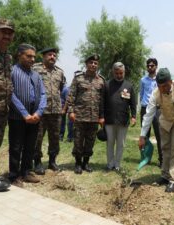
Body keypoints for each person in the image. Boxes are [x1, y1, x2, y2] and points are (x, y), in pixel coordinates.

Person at [9, 44, 46, 184]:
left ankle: (26, 172)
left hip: (35, 117)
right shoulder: (12, 71)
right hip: (17, 117)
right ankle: (14, 175)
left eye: (33, 57)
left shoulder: (36, 75)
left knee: (30, 146)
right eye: (28, 56)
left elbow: (43, 94)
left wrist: (39, 112)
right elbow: (10, 94)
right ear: (19, 55)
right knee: (16, 146)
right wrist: (24, 114)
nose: (32, 59)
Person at [67, 54, 105, 174]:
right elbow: (71, 95)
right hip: (79, 116)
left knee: (90, 141)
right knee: (78, 140)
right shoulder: (78, 79)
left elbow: (103, 100)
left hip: (94, 117)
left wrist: (101, 116)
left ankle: (86, 162)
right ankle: (78, 163)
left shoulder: (101, 81)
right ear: (86, 64)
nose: (93, 65)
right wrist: (71, 111)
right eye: (91, 62)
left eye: (95, 63)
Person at [33, 47, 66, 175]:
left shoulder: (60, 72)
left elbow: (61, 88)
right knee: (38, 138)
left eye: (54, 55)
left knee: (55, 137)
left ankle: (52, 161)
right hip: (40, 111)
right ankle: (37, 162)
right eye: (49, 55)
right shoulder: (35, 69)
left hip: (55, 111)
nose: (52, 57)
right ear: (43, 56)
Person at [104, 62, 136, 171]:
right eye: (116, 73)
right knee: (110, 143)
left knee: (120, 144)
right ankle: (110, 164)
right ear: (113, 72)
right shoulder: (107, 84)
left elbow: (133, 103)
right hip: (109, 119)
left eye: (121, 73)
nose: (119, 75)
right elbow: (101, 103)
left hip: (123, 120)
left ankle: (117, 164)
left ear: (124, 72)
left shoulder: (129, 86)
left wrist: (134, 116)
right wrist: (101, 117)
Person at [0, 18, 15, 191]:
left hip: (2, 108)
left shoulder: (8, 56)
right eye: (3, 31)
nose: (7, 35)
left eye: (10, 32)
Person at [140, 58, 162, 167]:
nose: (150, 67)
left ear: (156, 66)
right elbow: (142, 94)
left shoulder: (160, 79)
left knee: (159, 135)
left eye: (152, 65)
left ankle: (161, 160)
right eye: (148, 65)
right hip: (145, 108)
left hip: (157, 109)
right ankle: (145, 158)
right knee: (145, 135)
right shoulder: (143, 80)